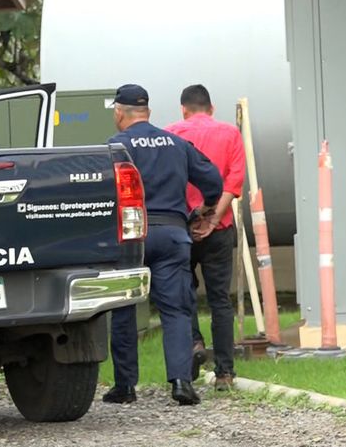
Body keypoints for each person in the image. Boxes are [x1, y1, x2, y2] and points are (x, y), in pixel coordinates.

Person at [102, 84, 223, 406]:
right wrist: (205, 210)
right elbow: (213, 182)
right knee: (176, 310)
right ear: (148, 112)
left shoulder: (116, 146)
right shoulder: (176, 143)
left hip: (132, 237)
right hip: (172, 235)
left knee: (125, 308)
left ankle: (125, 387)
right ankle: (182, 382)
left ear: (119, 112)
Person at [166, 84, 246, 390]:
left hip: (182, 227)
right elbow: (234, 180)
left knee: (182, 294)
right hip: (220, 228)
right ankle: (225, 373)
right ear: (211, 109)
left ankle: (195, 344)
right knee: (220, 301)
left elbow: (169, 180)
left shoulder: (171, 134)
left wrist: (192, 219)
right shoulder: (230, 134)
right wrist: (213, 219)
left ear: (183, 109)